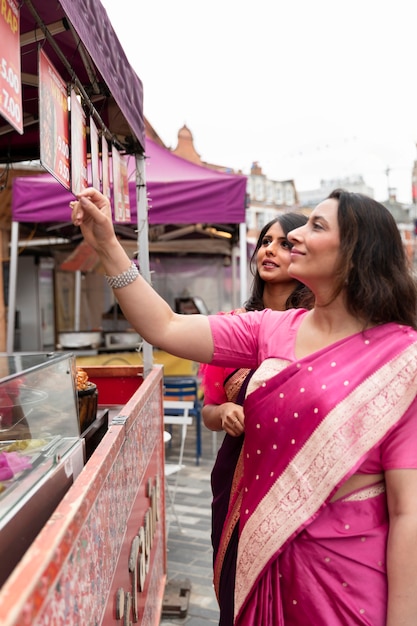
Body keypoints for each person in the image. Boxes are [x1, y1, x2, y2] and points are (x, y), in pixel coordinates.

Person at [71, 187, 417, 625]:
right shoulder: (269, 329)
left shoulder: (402, 361)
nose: (294, 238)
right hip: (260, 566)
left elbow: (410, 513)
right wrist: (107, 245)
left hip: (344, 584)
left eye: (316, 226)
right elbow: (165, 326)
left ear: (357, 251)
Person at [200, 213, 312, 625]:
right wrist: (224, 411)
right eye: (266, 241)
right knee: (236, 589)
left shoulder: (319, 330)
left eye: (285, 243)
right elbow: (208, 409)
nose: (270, 249)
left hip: (297, 480)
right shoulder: (232, 327)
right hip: (235, 482)